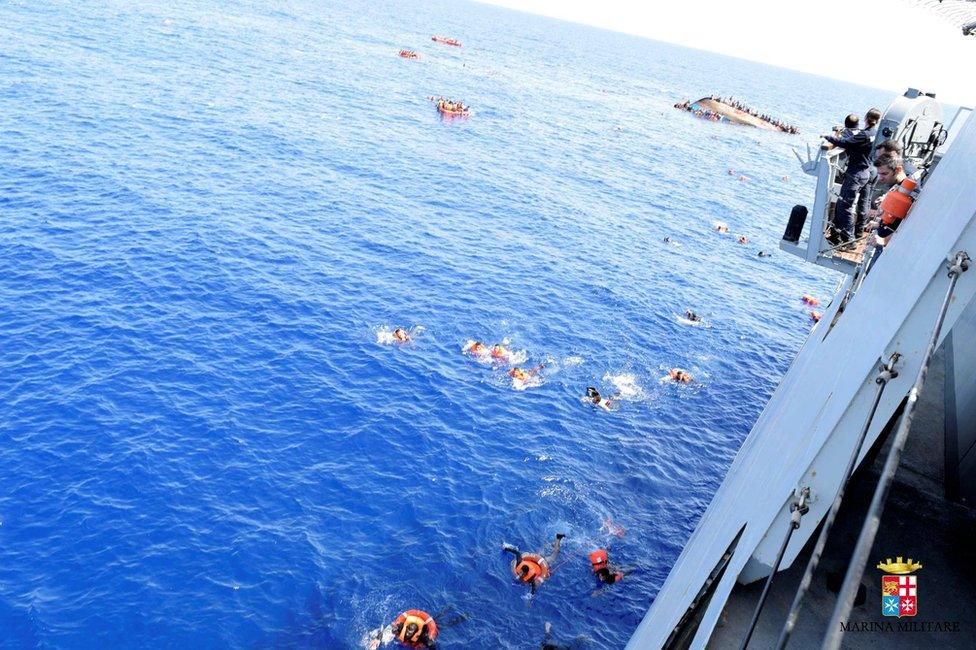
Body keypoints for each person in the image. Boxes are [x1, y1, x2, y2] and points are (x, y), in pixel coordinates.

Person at [822, 108, 881, 244]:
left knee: (844, 206)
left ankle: (849, 239)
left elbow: (845, 143)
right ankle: (848, 233)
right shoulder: (874, 133)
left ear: (866, 118)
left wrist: (827, 136)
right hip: (868, 171)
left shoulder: (864, 135)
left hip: (857, 173)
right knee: (861, 204)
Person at [367, 606, 467, 649]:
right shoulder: (401, 627)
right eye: (408, 630)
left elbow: (431, 645)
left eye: (410, 632)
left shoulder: (423, 636)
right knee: (437, 617)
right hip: (421, 624)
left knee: (446, 624)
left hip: (427, 627)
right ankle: (448, 608)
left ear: (416, 633)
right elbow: (386, 630)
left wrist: (431, 644)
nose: (408, 633)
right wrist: (377, 639)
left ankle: (462, 617)